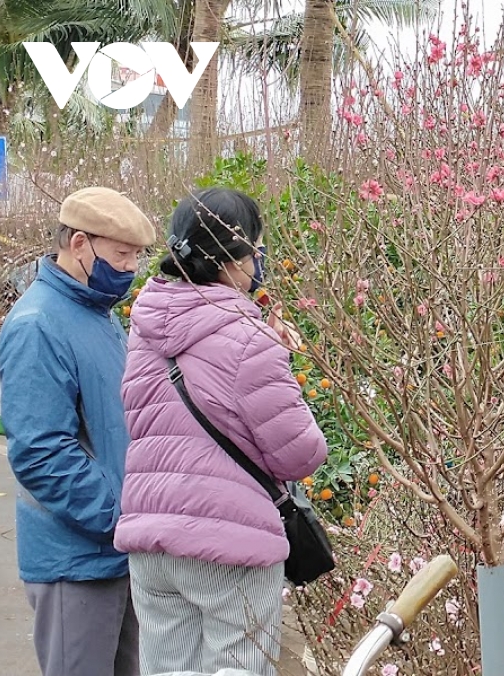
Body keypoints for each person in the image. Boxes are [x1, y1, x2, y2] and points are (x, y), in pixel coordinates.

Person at [114, 187, 327, 676]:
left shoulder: (144, 331)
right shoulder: (249, 338)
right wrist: (280, 361)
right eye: (255, 248)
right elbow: (300, 454)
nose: (259, 260)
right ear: (233, 259)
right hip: (231, 544)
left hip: (151, 541)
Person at [0, 186, 156, 676]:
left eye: (136, 257)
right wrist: (118, 517)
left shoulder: (100, 317)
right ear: (80, 244)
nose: (130, 268)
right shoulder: (37, 324)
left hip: (117, 551)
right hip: (75, 559)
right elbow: (42, 454)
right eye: (121, 254)